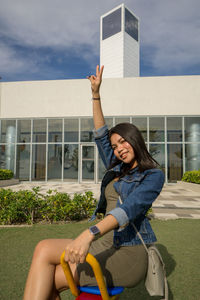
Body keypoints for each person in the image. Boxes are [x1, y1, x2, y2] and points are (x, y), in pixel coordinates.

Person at [23, 65, 165, 300]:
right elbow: (100, 133)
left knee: (52, 276)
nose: (119, 149)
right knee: (42, 248)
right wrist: (96, 94)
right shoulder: (117, 167)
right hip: (105, 242)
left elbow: (128, 210)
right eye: (116, 146)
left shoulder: (152, 175)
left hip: (128, 251)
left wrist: (88, 234)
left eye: (123, 142)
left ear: (134, 140)